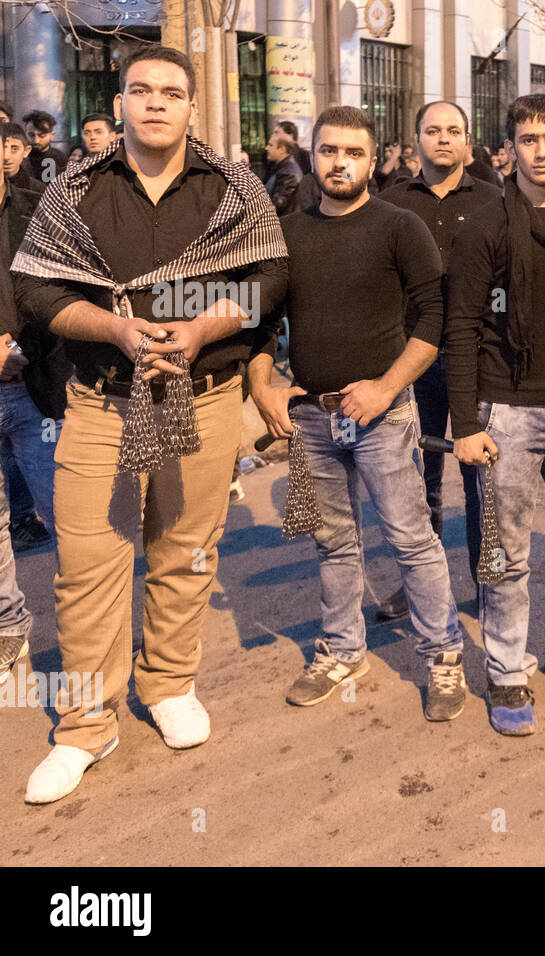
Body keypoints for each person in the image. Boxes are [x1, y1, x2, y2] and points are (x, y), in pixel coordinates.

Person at [12, 43, 289, 805]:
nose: (157, 102)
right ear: (121, 102)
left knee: (185, 549)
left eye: (172, 91)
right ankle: (84, 725)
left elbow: (271, 278)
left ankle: (168, 683)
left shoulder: (234, 188)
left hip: (202, 396)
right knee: (88, 564)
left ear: (192, 104)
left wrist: (199, 330)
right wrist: (117, 330)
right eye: (142, 90)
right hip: (103, 399)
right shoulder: (74, 192)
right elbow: (37, 290)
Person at [252, 105, 466, 719]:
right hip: (313, 418)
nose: (339, 162)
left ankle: (444, 655)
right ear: (312, 156)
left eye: (352, 152)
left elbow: (434, 319)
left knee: (410, 538)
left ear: (374, 161)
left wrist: (384, 387)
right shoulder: (286, 232)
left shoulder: (399, 226)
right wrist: (263, 387)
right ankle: (344, 648)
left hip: (384, 413)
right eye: (327, 151)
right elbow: (262, 322)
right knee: (333, 542)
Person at [445, 93, 545, 736]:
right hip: (505, 409)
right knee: (507, 554)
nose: (542, 150)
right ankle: (507, 670)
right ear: (509, 148)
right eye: (529, 139)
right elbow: (460, 326)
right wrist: (466, 425)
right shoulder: (484, 225)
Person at [374, 100, 499, 622]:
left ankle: (484, 583)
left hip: (478, 357)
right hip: (412, 358)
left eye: (453, 131)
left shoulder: (496, 200)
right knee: (416, 479)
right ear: (416, 139)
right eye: (432, 130)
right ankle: (421, 585)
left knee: (480, 480)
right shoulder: (392, 203)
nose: (443, 139)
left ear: (467, 141)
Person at [0, 142, 71, 684]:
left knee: (67, 515)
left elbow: (67, 288)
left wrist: (21, 348)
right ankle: (9, 630)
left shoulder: (39, 208)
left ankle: (86, 634)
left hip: (35, 386)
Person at [264, 127, 303, 216]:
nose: (267, 148)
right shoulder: (280, 168)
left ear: (281, 149)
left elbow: (277, 205)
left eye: (270, 145)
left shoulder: (289, 173)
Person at [22, 110, 67, 185]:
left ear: (52, 135)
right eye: (31, 135)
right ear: (25, 133)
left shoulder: (60, 158)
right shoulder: (19, 157)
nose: (36, 141)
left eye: (42, 136)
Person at [2, 124, 40, 193]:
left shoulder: (38, 190)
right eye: (2, 148)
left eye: (14, 149)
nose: (6, 157)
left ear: (26, 151)